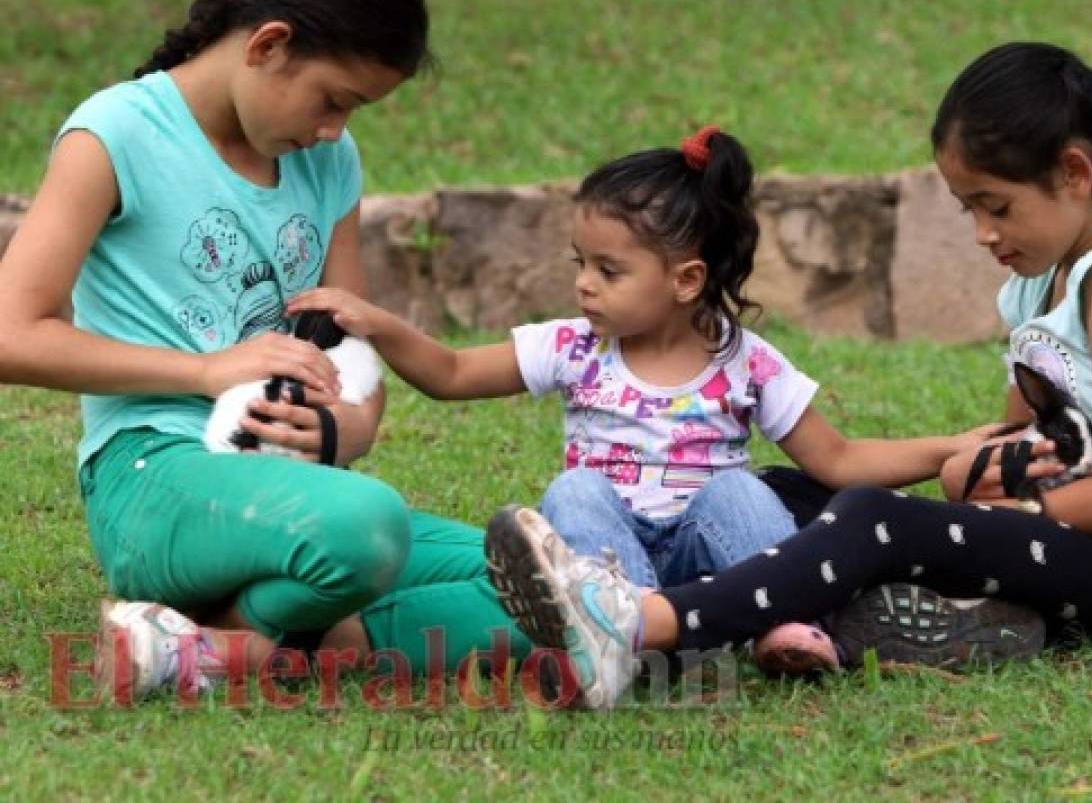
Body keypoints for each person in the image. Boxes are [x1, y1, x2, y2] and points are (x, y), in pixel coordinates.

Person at [482, 42, 1092, 708]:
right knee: (770, 493)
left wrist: (993, 517)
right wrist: (972, 479)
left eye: (996, 206)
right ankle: (932, 623)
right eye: (967, 208)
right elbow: (1014, 451)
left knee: (873, 518)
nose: (982, 232)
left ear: (1073, 173)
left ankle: (641, 621)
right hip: (1069, 538)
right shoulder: (1036, 284)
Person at [0, 0, 529, 701]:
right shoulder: (115, 133)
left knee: (526, 585)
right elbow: (12, 334)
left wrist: (349, 426)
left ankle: (220, 650)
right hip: (152, 478)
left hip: (283, 484)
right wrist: (207, 371)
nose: (333, 130)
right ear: (267, 45)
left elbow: (350, 353)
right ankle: (283, 622)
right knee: (367, 529)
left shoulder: (327, 162)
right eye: (333, 101)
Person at [287, 125, 994, 684]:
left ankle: (785, 626)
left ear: (685, 280)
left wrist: (948, 448)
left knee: (735, 492)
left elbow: (837, 460)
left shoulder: (743, 363)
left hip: (710, 572)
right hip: (610, 566)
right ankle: (615, 633)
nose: (585, 286)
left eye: (608, 270)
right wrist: (377, 322)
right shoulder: (573, 345)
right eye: (580, 264)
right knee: (577, 489)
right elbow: (450, 372)